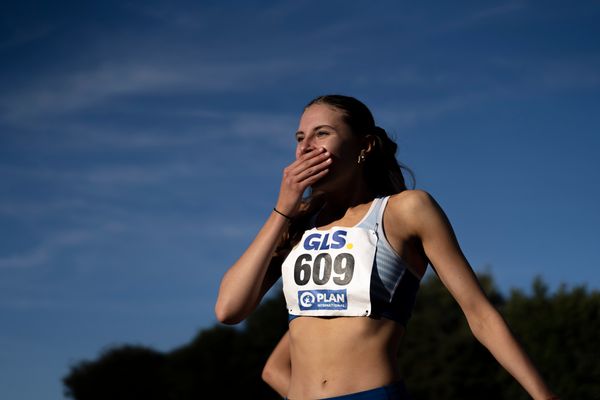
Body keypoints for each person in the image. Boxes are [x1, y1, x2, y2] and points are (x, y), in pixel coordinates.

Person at [215, 95, 557, 400]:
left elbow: (479, 313)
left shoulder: (406, 210)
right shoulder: (298, 221)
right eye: (300, 138)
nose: (305, 147)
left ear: (364, 146)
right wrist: (283, 211)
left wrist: (543, 395)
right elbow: (229, 310)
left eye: (322, 133)